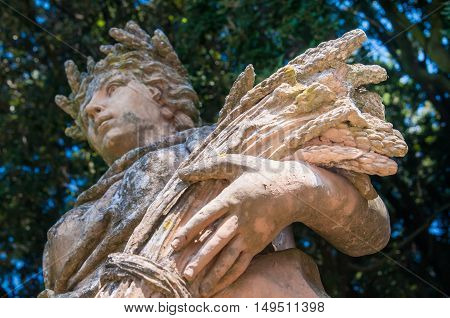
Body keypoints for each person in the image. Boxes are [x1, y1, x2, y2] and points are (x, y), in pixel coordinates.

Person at [41, 21, 394, 298]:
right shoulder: (74, 218)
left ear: (159, 91)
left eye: (112, 88)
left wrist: (289, 190)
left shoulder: (241, 135)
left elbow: (372, 231)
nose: (92, 108)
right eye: (85, 116)